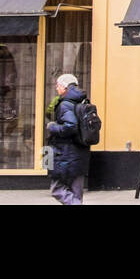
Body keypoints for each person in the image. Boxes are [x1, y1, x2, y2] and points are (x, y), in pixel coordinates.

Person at [47, 73, 90, 205]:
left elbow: (70, 126)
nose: (56, 88)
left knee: (57, 189)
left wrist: (52, 127)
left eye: (58, 85)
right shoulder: (83, 101)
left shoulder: (65, 104)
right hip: (80, 152)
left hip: (65, 152)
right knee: (76, 192)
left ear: (65, 87)